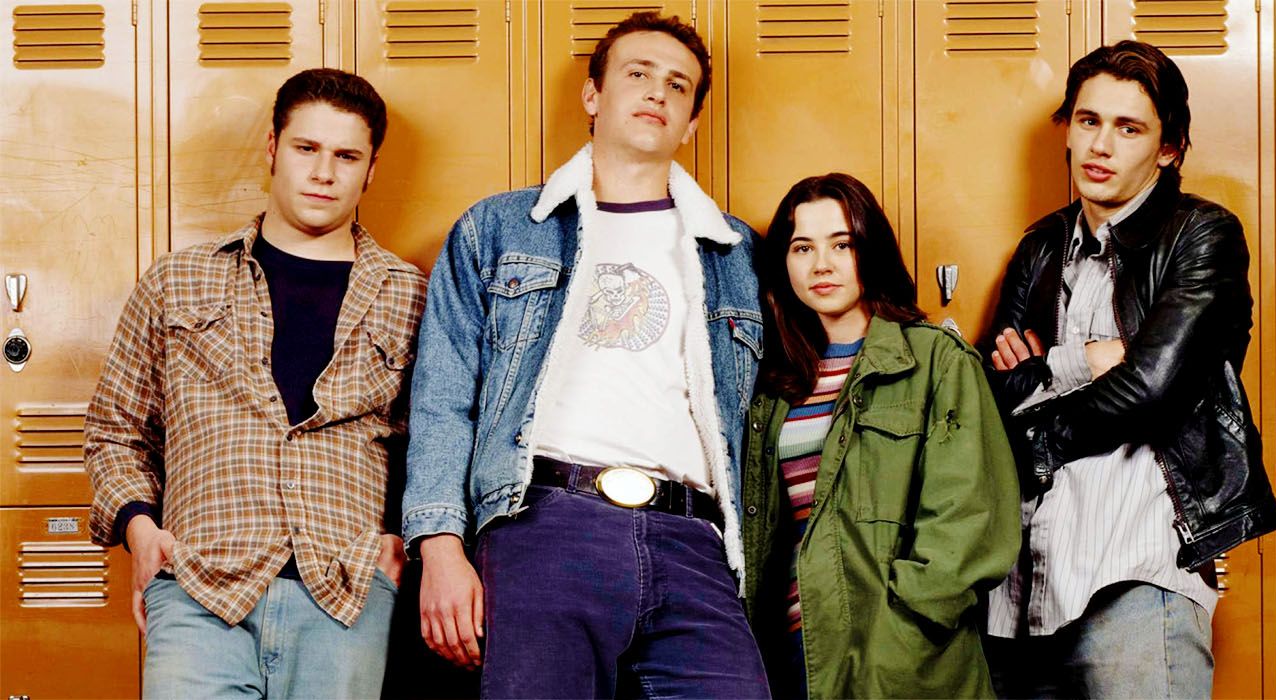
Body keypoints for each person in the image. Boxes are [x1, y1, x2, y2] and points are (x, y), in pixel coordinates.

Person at [400, 11, 770, 698]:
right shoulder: (500, 229)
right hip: (544, 525)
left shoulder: (737, 254)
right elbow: (444, 400)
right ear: (593, 95)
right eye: (637, 74)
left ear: (691, 123)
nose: (657, 93)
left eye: (678, 86)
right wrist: (440, 547)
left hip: (694, 541)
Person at [84, 68, 425, 698]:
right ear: (272, 149)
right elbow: (114, 432)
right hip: (198, 587)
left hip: (345, 593)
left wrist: (401, 544)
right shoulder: (177, 282)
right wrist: (139, 529)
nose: (324, 172)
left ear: (371, 169)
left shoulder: (410, 297)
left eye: (347, 155)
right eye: (307, 149)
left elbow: (437, 441)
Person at [979, 40, 1276, 698]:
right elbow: (989, 389)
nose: (1101, 145)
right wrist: (1085, 359)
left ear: (1168, 148)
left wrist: (1038, 428)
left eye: (1129, 127)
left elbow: (1151, 388)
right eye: (1088, 121)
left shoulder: (1201, 235)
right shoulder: (1040, 247)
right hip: (1021, 591)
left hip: (1137, 580)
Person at [742, 173, 1021, 699]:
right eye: (803, 247)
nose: (821, 264)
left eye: (841, 245)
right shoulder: (773, 390)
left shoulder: (936, 360)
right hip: (793, 656)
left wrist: (901, 632)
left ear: (870, 250)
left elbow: (970, 523)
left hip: (901, 659)